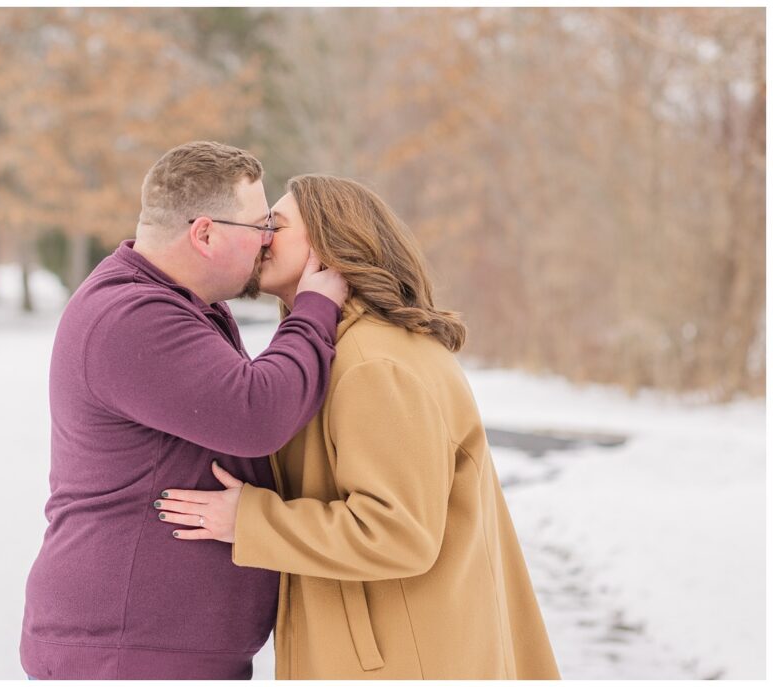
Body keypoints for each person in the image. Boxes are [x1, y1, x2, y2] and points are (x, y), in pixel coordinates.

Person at [155, 174, 562, 679]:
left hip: (402, 659)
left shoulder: (373, 364)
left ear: (330, 245)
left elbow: (397, 532)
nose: (260, 237)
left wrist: (250, 521)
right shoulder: (346, 351)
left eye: (274, 226)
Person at [19, 143, 349, 680]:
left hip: (156, 646)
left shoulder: (180, 302)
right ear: (205, 234)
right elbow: (256, 414)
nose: (269, 238)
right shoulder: (131, 318)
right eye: (261, 223)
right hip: (125, 651)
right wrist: (315, 307)